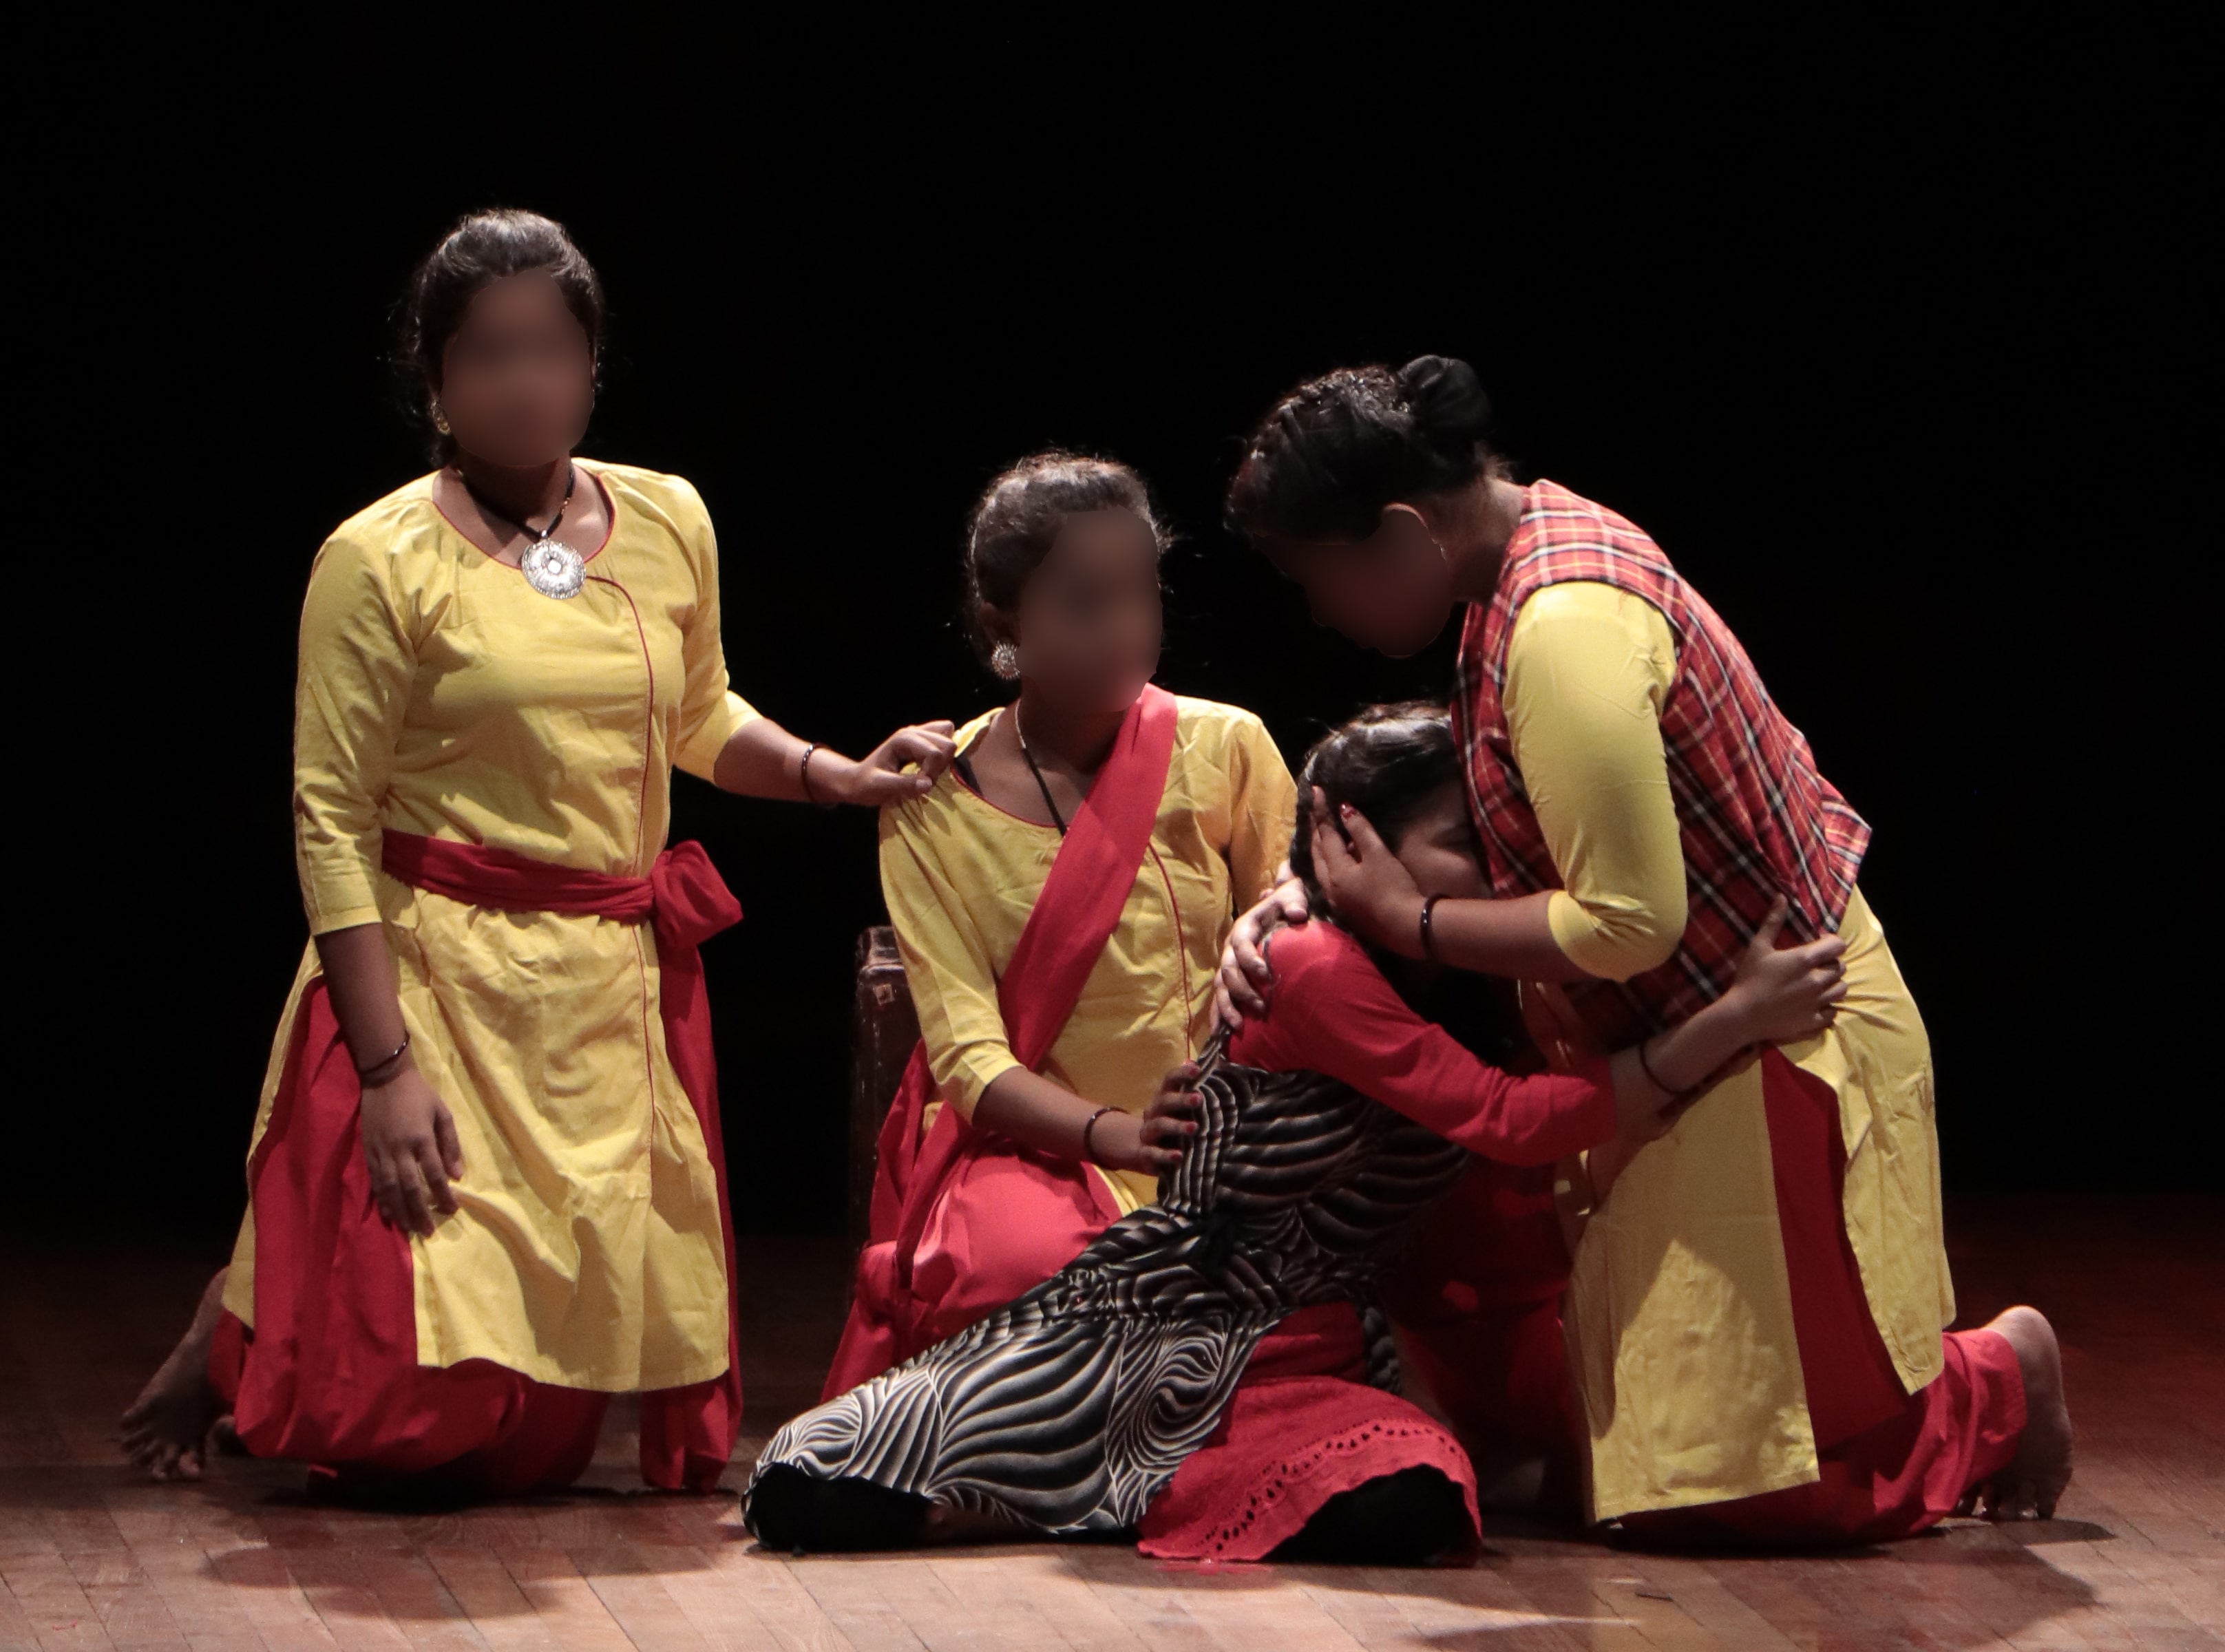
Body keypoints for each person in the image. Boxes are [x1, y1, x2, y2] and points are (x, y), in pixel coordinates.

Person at [120, 208, 957, 1496]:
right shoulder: (376, 556)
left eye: (552, 351)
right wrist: (387, 1064)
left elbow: (699, 712)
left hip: (597, 983)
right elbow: (331, 820)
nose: (526, 382)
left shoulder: (671, 518)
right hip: (438, 966)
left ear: (593, 368)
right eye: (491, 356)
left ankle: (241, 1311)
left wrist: (827, 776)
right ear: (440, 388)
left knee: (526, 1445)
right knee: (406, 1441)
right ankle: (232, 1332)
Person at [1216, 358, 2073, 1542]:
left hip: (1779, 1027)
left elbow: (1630, 925)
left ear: (1402, 533)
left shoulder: (1560, 621)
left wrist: (1403, 923)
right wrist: (1291, 896)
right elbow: (1415, 787)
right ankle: (1960, 1394)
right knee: (1669, 1481)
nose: (1324, 615)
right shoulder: (1503, 580)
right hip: (1697, 1043)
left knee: (1754, 1494)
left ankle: (1997, 1381)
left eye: (1321, 580)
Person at [753, 699, 1848, 1560]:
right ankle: (1066, 1494)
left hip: (1312, 1345)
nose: (1506, 874)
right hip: (1172, 1320)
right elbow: (1502, 1118)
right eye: (1466, 843)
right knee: (812, 1483)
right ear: (1357, 846)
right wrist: (1733, 1021)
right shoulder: (1319, 965)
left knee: (1412, 1503)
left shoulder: (1461, 958)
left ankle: (1100, 1493)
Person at [816, 452, 1488, 1562]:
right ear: (1002, 620)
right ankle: (1155, 1462)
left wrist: (1270, 918)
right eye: (1085, 604)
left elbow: (1319, 913)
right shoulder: (929, 805)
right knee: (1016, 1270)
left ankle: (1069, 1470)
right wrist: (1112, 1133)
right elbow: (971, 1061)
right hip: (1042, 1145)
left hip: (1230, 1154)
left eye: (1141, 595)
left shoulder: (1222, 745)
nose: (1125, 629)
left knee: (1281, 1294)